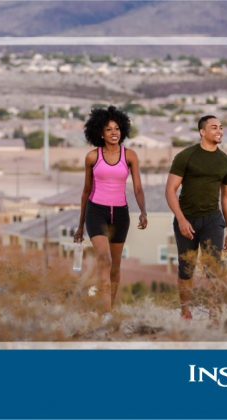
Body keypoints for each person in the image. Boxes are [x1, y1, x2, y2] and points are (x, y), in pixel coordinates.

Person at [74, 106, 147, 313]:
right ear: (100, 133)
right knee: (104, 260)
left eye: (117, 129)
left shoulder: (130, 156)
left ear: (122, 130)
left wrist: (143, 211)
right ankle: (104, 313)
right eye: (108, 129)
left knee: (115, 266)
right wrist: (80, 226)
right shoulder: (92, 157)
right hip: (96, 212)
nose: (114, 133)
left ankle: (110, 310)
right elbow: (86, 191)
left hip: (121, 214)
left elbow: (138, 188)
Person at [165, 115, 227, 320]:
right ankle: (185, 311)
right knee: (186, 269)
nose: (219, 131)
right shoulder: (186, 156)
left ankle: (214, 313)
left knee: (213, 268)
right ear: (202, 132)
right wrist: (181, 219)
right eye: (214, 127)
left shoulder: (226, 163)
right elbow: (170, 190)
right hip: (186, 219)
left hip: (213, 220)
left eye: (221, 127)